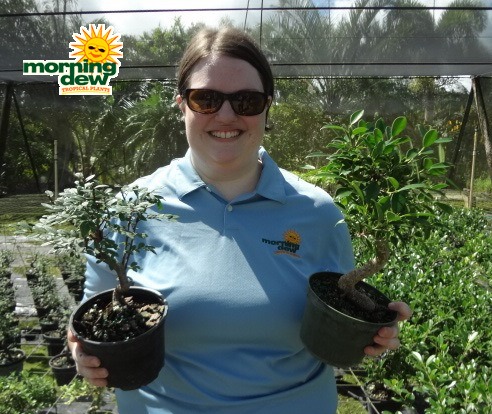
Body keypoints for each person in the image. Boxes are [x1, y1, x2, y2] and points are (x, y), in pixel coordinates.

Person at [68, 27, 412, 414]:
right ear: (181, 104)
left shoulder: (318, 213)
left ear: (267, 107)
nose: (226, 115)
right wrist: (84, 355)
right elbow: (87, 323)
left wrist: (375, 332)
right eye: (206, 99)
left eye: (246, 100)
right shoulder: (130, 209)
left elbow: (345, 314)